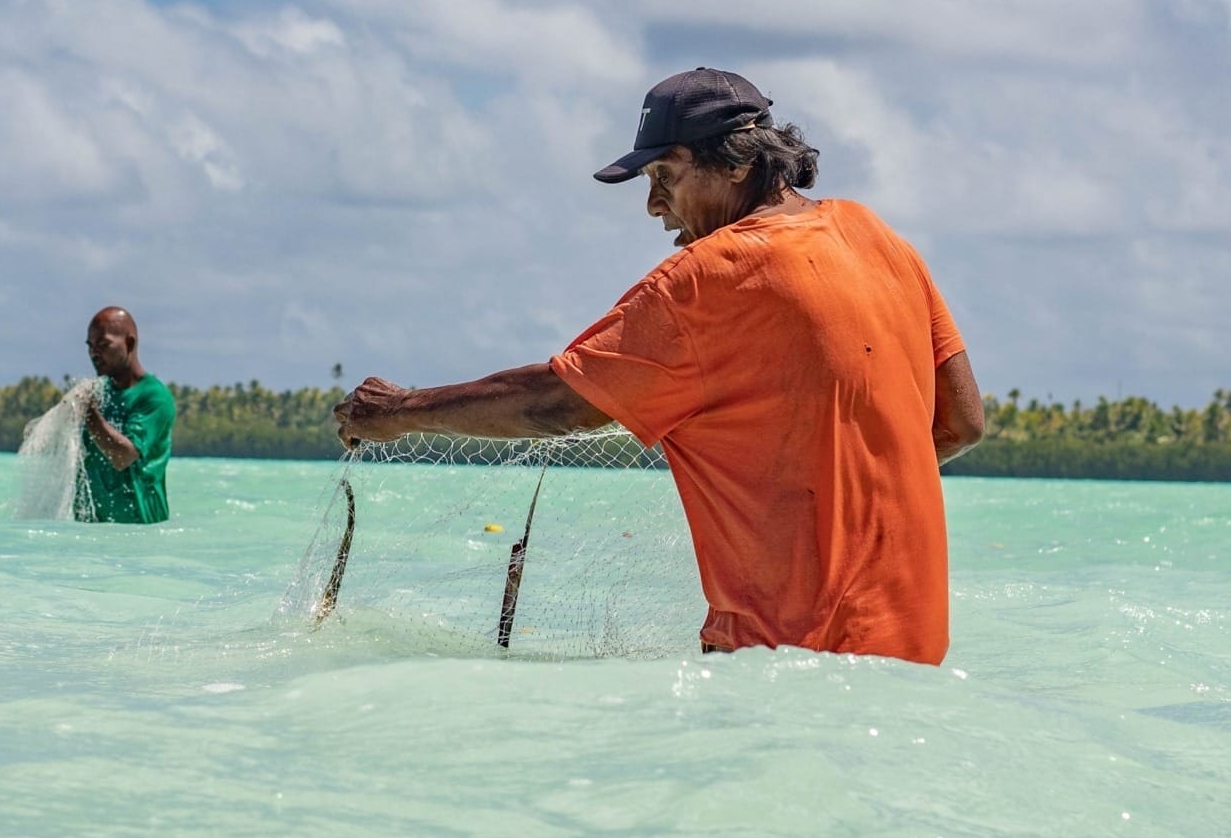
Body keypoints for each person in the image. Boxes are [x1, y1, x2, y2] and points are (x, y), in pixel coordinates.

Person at [333, 67, 984, 664]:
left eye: (664, 177)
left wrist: (397, 413)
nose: (653, 206)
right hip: (912, 654)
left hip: (778, 660)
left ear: (734, 166)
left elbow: (557, 402)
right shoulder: (878, 239)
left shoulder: (714, 275)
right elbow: (959, 423)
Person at [79, 306, 176, 524]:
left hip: (139, 535)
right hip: (91, 535)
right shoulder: (97, 393)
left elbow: (123, 456)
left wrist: (89, 414)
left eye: (103, 345)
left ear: (129, 344)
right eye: (91, 346)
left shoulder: (154, 397)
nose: (94, 353)